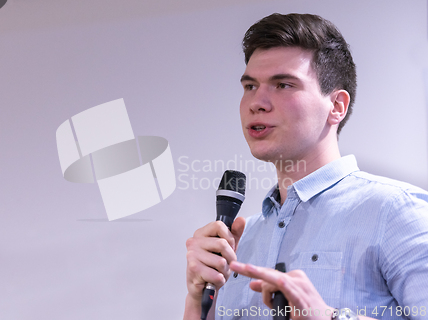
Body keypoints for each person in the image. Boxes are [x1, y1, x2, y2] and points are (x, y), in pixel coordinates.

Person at [183, 13, 428, 320]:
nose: (257, 102)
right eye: (250, 86)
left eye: (283, 85)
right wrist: (195, 299)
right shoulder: (242, 240)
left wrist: (329, 317)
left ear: (336, 106)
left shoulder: (395, 212)